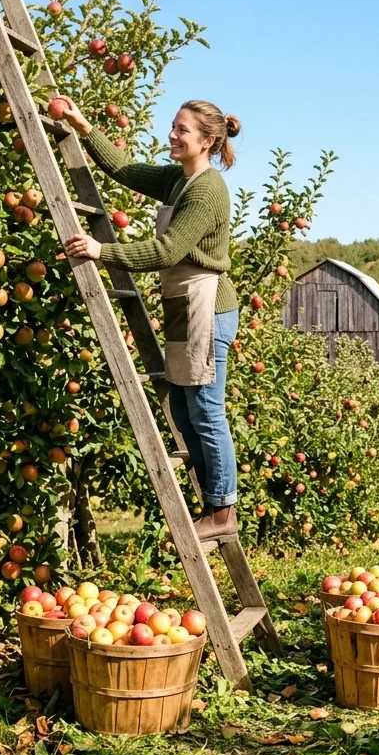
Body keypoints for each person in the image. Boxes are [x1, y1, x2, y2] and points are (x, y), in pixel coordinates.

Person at [58, 96, 242, 540]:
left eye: (182, 129)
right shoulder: (181, 181)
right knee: (182, 408)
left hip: (208, 307)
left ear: (208, 140)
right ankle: (211, 501)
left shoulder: (206, 189)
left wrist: (105, 251)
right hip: (184, 305)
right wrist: (84, 125)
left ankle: (223, 509)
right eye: (173, 127)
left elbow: (167, 251)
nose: (172, 135)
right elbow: (127, 170)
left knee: (206, 410)